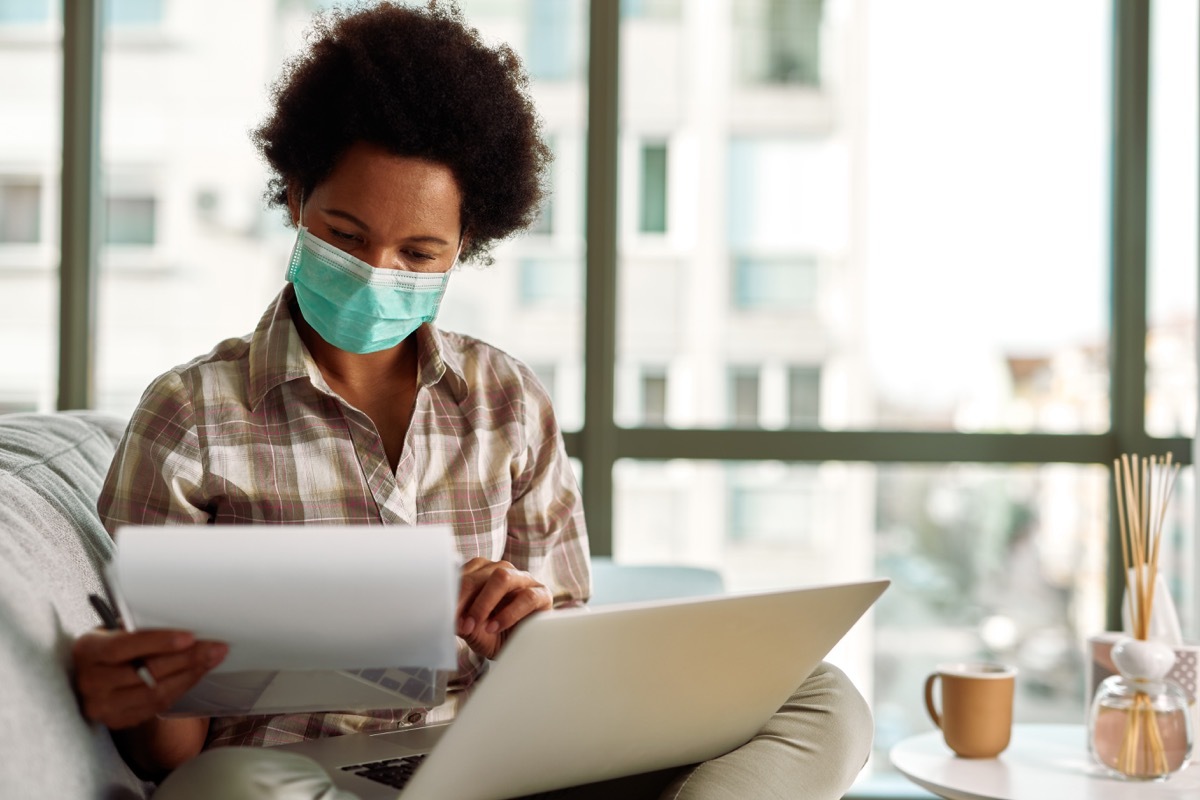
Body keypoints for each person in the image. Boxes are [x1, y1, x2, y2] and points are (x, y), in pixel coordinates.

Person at [71, 3, 872, 798]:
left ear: (465, 248)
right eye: (346, 235)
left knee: (822, 695)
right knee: (221, 793)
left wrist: (527, 629)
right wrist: (153, 687)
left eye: (418, 251)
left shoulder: (508, 402)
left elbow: (565, 673)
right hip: (296, 773)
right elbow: (169, 754)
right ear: (294, 198)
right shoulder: (192, 416)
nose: (377, 270)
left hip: (500, 760)